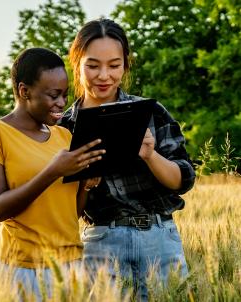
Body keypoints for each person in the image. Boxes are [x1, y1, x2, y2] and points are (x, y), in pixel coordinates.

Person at [59, 18, 196, 301]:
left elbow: (183, 179)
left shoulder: (150, 112)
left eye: (114, 65)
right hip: (102, 243)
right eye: (93, 65)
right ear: (76, 63)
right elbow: (63, 213)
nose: (104, 75)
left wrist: (150, 155)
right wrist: (85, 183)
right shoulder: (63, 128)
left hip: (160, 239)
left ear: (125, 65)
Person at [0, 47, 105, 301]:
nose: (62, 104)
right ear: (24, 91)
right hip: (20, 268)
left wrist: (86, 186)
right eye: (53, 95)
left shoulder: (64, 136)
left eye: (65, 95)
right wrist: (53, 171)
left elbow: (67, 214)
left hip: (70, 265)